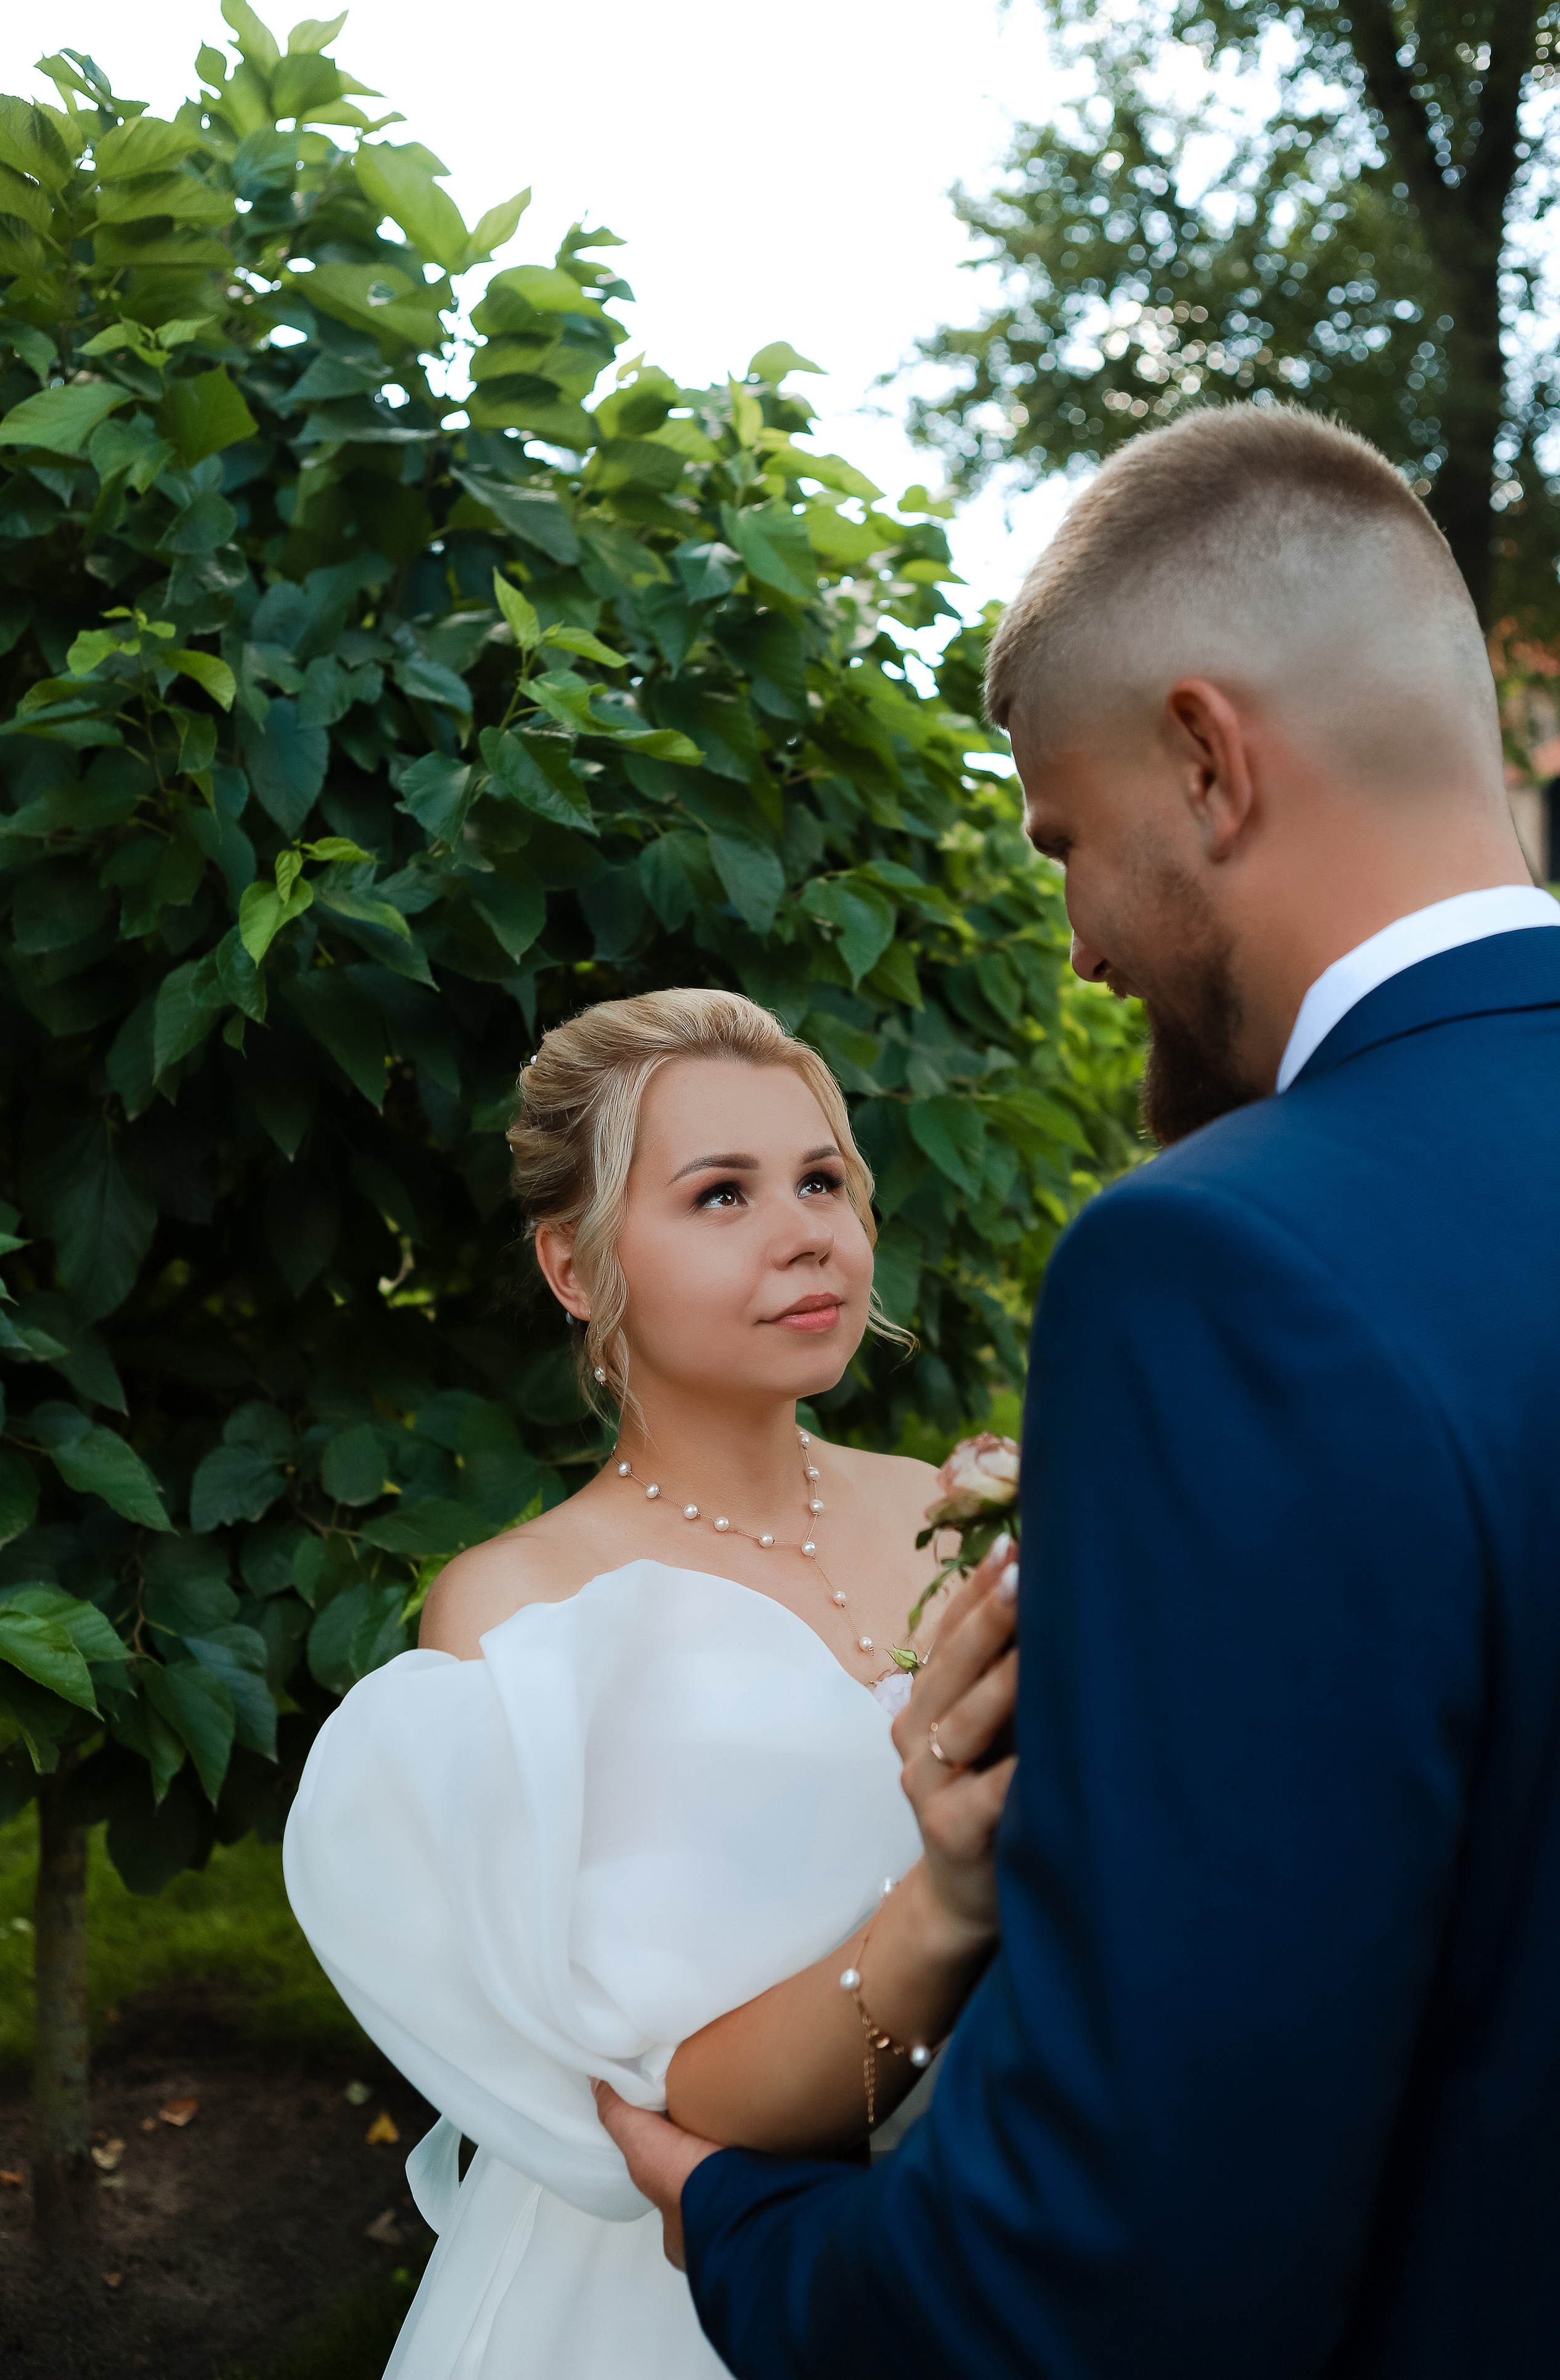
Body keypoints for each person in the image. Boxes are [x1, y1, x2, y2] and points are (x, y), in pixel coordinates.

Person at [597, 402, 1560, 2378]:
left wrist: (743, 2223)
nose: (1081, 949)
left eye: (1065, 844)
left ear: (1208, 762)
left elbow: (1125, 2269)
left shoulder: (1229, 1270)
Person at [282, 987, 1019, 2380]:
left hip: (990, 2219)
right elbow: (679, 2100)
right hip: (681, 2289)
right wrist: (947, 1899)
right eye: (719, 1195)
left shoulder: (953, 1510)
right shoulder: (521, 1612)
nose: (804, 1231)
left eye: (819, 1180)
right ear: (573, 1266)